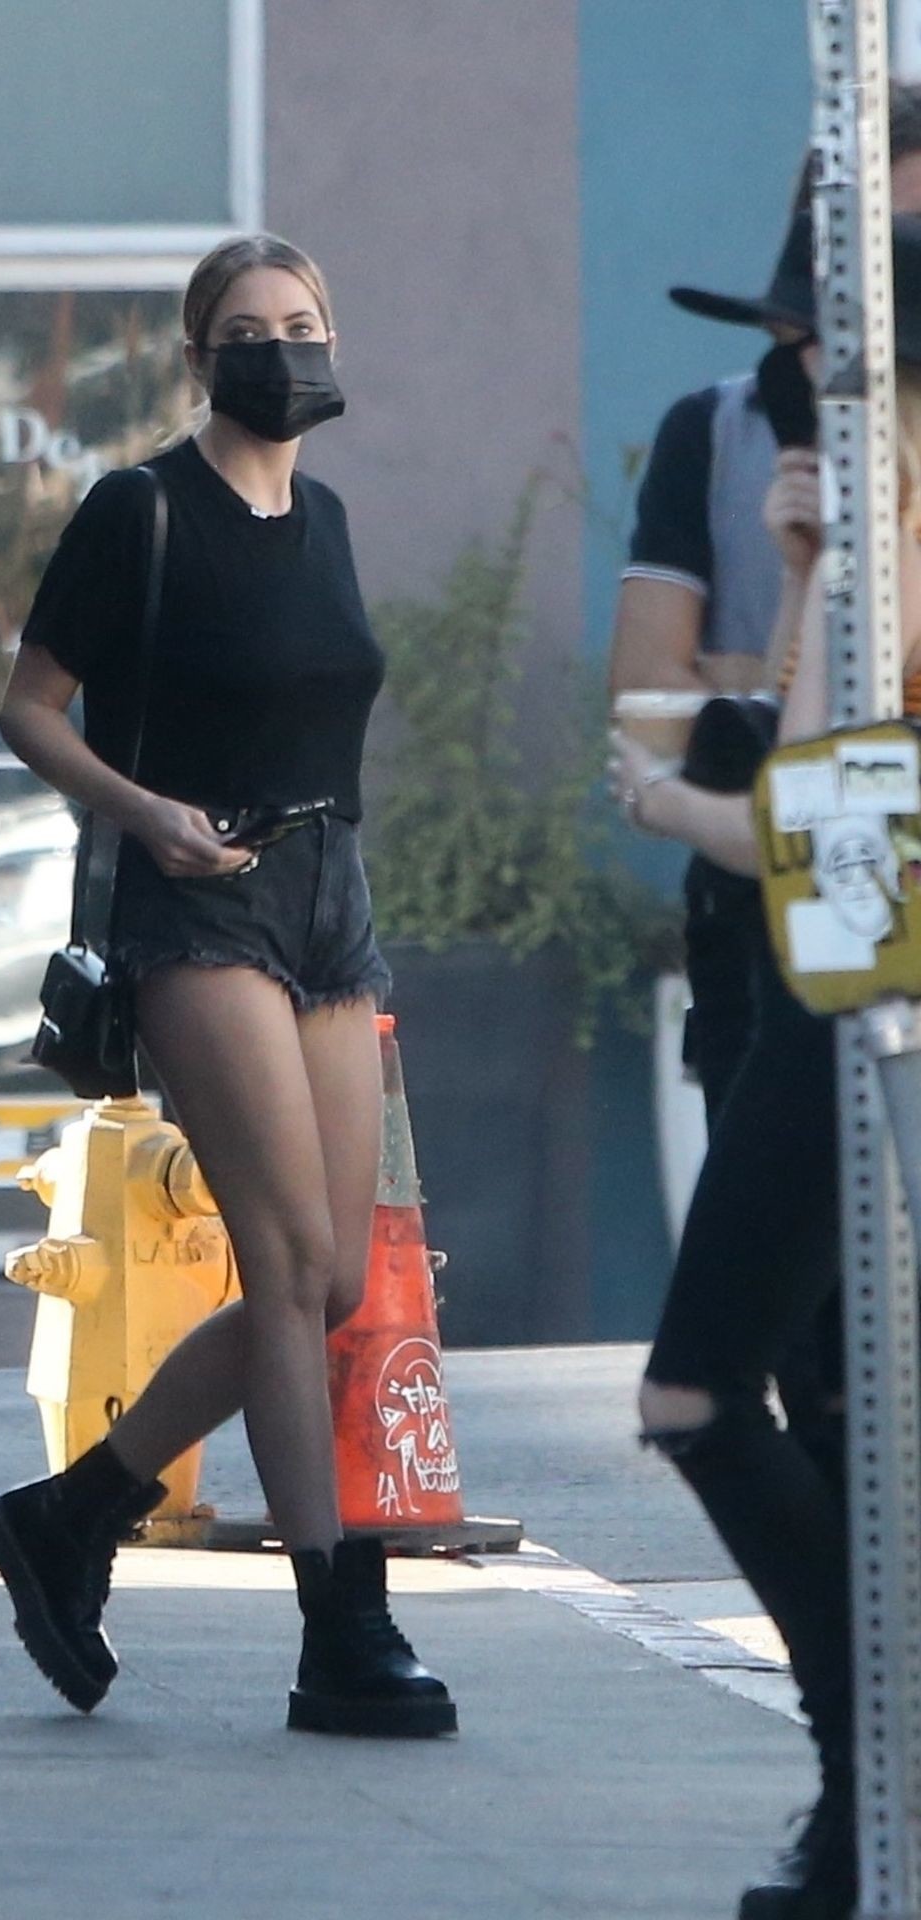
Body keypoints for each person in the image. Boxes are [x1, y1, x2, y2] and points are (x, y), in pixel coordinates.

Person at [0, 233, 456, 1740]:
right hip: (196, 899)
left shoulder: (329, 519)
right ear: (198, 356)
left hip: (329, 900)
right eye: (247, 329)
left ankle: (68, 1515)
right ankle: (340, 1625)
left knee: (338, 1280)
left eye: (302, 323)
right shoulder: (141, 510)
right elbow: (29, 708)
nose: (279, 351)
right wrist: (146, 812)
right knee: (286, 1267)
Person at [609, 213, 921, 1920]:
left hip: (861, 987)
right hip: (827, 977)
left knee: (722, 1395)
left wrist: (671, 794)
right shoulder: (852, 516)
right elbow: (819, 809)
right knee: (800, 1403)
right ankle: (872, 1784)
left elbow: (820, 832)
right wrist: (805, 578)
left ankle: (880, 1770)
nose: (801, 368)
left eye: (827, 338)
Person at [611, 83, 921, 1132]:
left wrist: (682, 773)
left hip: (857, 920)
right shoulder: (718, 434)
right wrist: (803, 587)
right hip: (765, 926)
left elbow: (805, 782)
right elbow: (650, 700)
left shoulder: (895, 501)